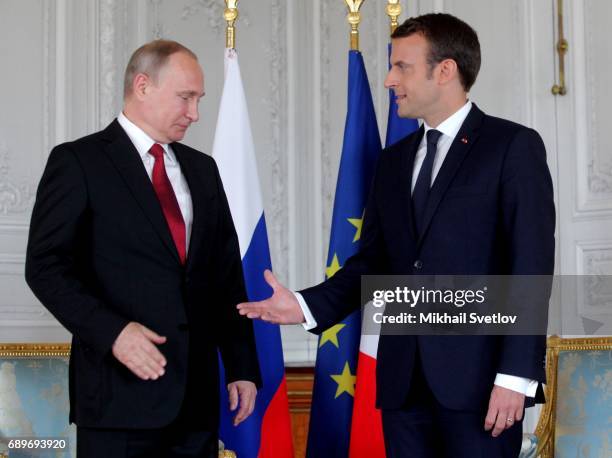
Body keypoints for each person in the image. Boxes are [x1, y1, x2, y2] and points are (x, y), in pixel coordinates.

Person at [237, 13, 554, 458]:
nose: (389, 79)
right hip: (403, 385)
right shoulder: (393, 161)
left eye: (401, 66)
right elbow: (373, 264)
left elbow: (530, 266)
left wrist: (515, 376)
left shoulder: (512, 147)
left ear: (445, 70)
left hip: (482, 387)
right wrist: (306, 305)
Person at [25, 40, 261, 457]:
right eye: (185, 97)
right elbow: (45, 267)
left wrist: (242, 366)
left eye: (199, 99)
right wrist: (113, 333)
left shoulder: (203, 170)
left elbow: (226, 277)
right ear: (143, 86)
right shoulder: (78, 162)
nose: (195, 113)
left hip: (196, 403)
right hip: (118, 401)